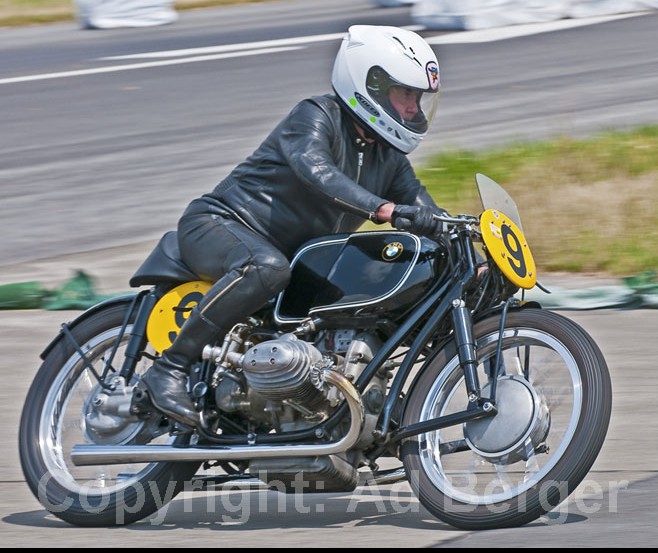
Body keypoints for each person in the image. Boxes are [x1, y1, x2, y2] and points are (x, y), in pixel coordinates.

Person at [137, 24, 447, 428]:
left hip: (293, 261)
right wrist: (384, 210)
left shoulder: (388, 157)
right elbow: (316, 172)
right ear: (370, 83)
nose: (413, 109)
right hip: (221, 225)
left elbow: (429, 212)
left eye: (418, 98)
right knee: (266, 267)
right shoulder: (316, 115)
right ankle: (169, 369)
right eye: (405, 94)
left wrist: (471, 252)